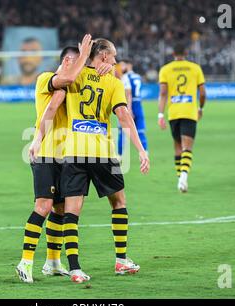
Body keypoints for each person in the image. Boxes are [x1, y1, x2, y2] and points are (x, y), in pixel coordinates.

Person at [31, 38, 150, 283]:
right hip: (103, 152)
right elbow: (125, 118)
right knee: (119, 203)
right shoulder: (114, 82)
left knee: (72, 212)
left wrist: (36, 138)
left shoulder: (73, 77)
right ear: (104, 56)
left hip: (74, 152)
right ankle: (121, 260)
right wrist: (141, 150)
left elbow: (53, 106)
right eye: (113, 56)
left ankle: (74, 269)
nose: (116, 60)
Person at [16, 34, 113, 283]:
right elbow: (50, 109)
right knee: (44, 206)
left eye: (77, 60)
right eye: (70, 60)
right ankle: (25, 261)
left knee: (60, 209)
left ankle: (53, 262)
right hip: (46, 154)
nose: (74, 64)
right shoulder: (47, 80)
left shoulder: (75, 85)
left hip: (68, 157)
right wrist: (37, 139)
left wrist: (107, 65)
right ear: (63, 61)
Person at [157, 43, 206, 193]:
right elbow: (203, 93)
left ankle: (180, 177)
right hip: (189, 112)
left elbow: (163, 93)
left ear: (173, 53)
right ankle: (183, 177)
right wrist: (200, 108)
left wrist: (160, 114)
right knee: (187, 147)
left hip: (174, 113)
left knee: (177, 146)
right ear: (186, 52)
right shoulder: (195, 68)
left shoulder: (165, 69)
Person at [117, 59, 148, 156]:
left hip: (128, 104)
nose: (121, 67)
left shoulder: (125, 77)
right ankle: (145, 152)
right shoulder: (137, 76)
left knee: (123, 129)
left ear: (128, 65)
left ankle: (120, 154)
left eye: (123, 65)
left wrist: (129, 109)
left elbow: (128, 93)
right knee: (140, 130)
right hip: (138, 103)